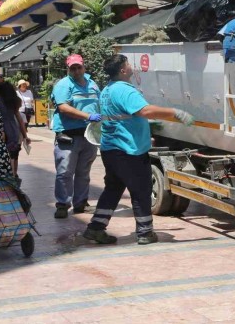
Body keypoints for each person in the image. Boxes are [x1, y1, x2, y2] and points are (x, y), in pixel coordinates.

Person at [83, 54, 194, 245]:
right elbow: (144, 111)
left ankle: (96, 227)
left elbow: (125, 116)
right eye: (128, 64)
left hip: (112, 149)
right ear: (123, 70)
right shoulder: (125, 90)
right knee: (141, 190)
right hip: (129, 151)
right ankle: (145, 232)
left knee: (113, 189)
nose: (131, 66)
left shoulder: (107, 90)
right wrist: (174, 113)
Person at [51, 54, 102, 219]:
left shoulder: (92, 84)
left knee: (83, 172)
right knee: (65, 172)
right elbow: (64, 107)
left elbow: (99, 103)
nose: (76, 70)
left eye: (79, 67)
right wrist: (88, 116)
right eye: (73, 68)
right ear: (68, 69)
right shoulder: (63, 85)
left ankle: (81, 204)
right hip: (68, 135)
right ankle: (62, 205)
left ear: (84, 66)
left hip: (89, 135)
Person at [0, 81, 30, 179]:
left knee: (2, 157)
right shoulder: (13, 101)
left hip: (1, 131)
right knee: (13, 156)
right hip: (13, 130)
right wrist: (25, 136)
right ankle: (13, 177)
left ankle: (5, 178)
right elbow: (20, 120)